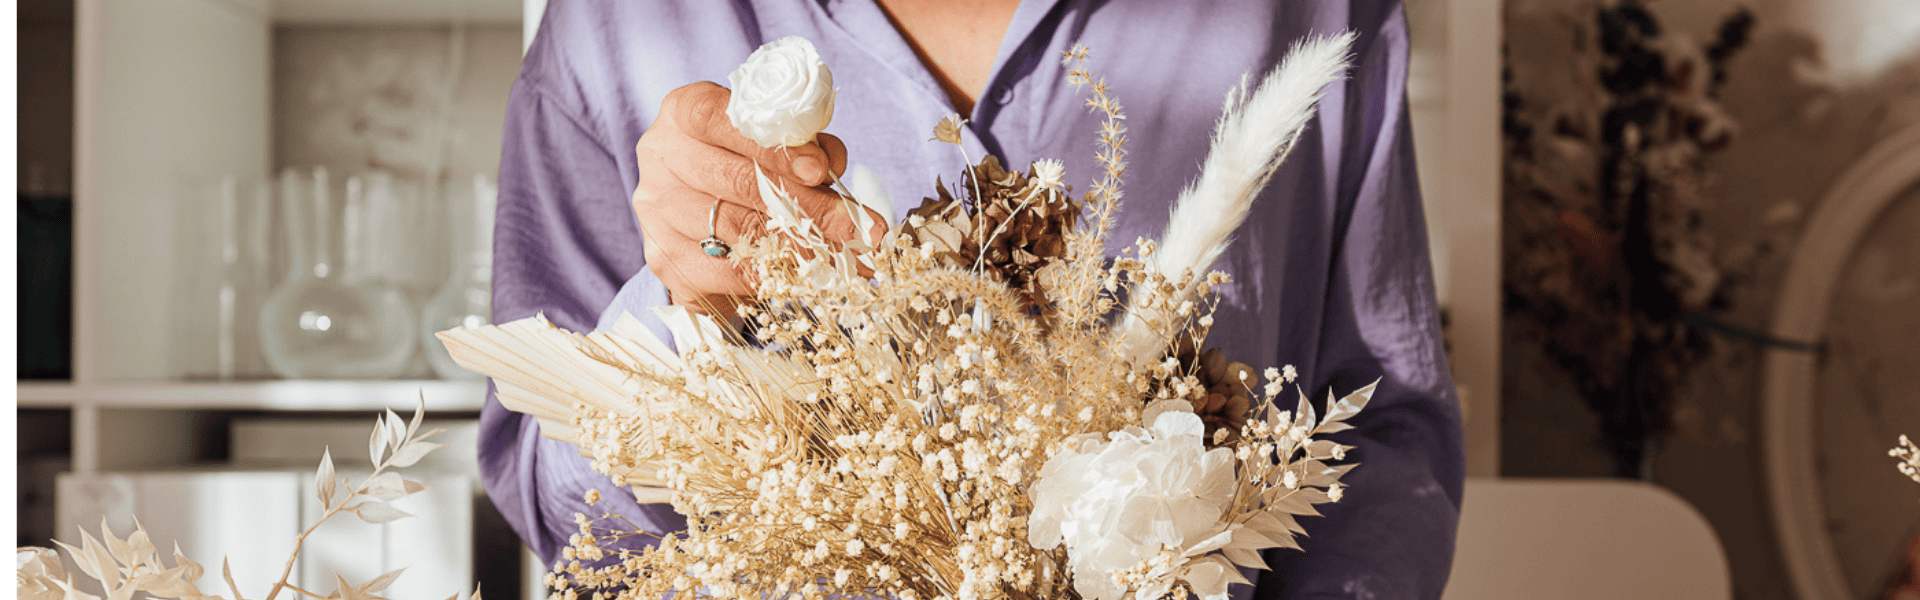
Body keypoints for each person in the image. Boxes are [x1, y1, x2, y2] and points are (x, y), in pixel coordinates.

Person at [482, 0, 1465, 598]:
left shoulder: (1308, 10)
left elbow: (1382, 433)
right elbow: (558, 510)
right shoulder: (614, 21)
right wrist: (690, 321)